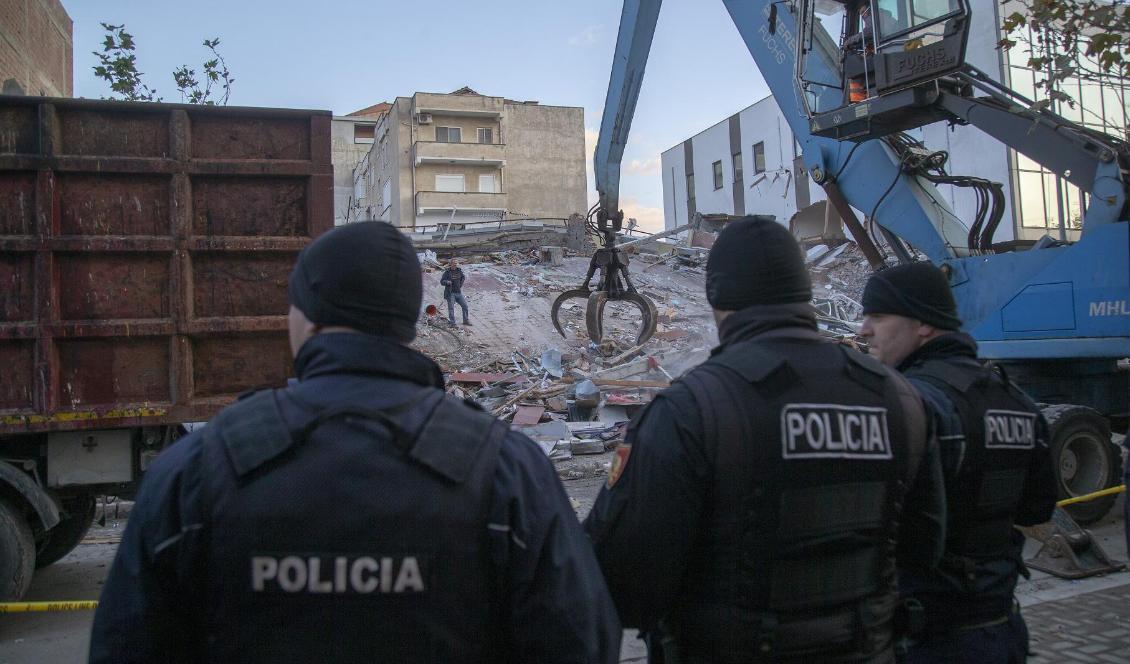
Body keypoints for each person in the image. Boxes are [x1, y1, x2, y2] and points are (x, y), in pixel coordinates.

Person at [89, 221, 621, 663]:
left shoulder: (198, 469)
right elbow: (583, 641)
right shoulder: (506, 469)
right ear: (408, 321)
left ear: (304, 315)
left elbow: (125, 644)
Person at [584, 217, 946, 663]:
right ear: (802, 292)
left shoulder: (690, 411)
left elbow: (622, 588)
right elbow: (926, 549)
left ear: (716, 295)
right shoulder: (900, 399)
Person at [858, 262, 1056, 664]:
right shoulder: (1015, 400)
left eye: (878, 316)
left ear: (924, 325)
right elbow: (1038, 508)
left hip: (927, 637)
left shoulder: (910, 404)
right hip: (1000, 626)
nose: (863, 329)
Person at [441, 258, 471, 326]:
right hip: (451, 293)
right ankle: (452, 323)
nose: (455, 264)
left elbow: (463, 277)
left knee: (465, 306)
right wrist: (447, 282)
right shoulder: (447, 272)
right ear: (451, 264)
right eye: (454, 263)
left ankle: (465, 321)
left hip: (458, 293)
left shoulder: (459, 271)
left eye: (456, 263)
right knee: (451, 308)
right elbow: (442, 281)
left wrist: (460, 284)